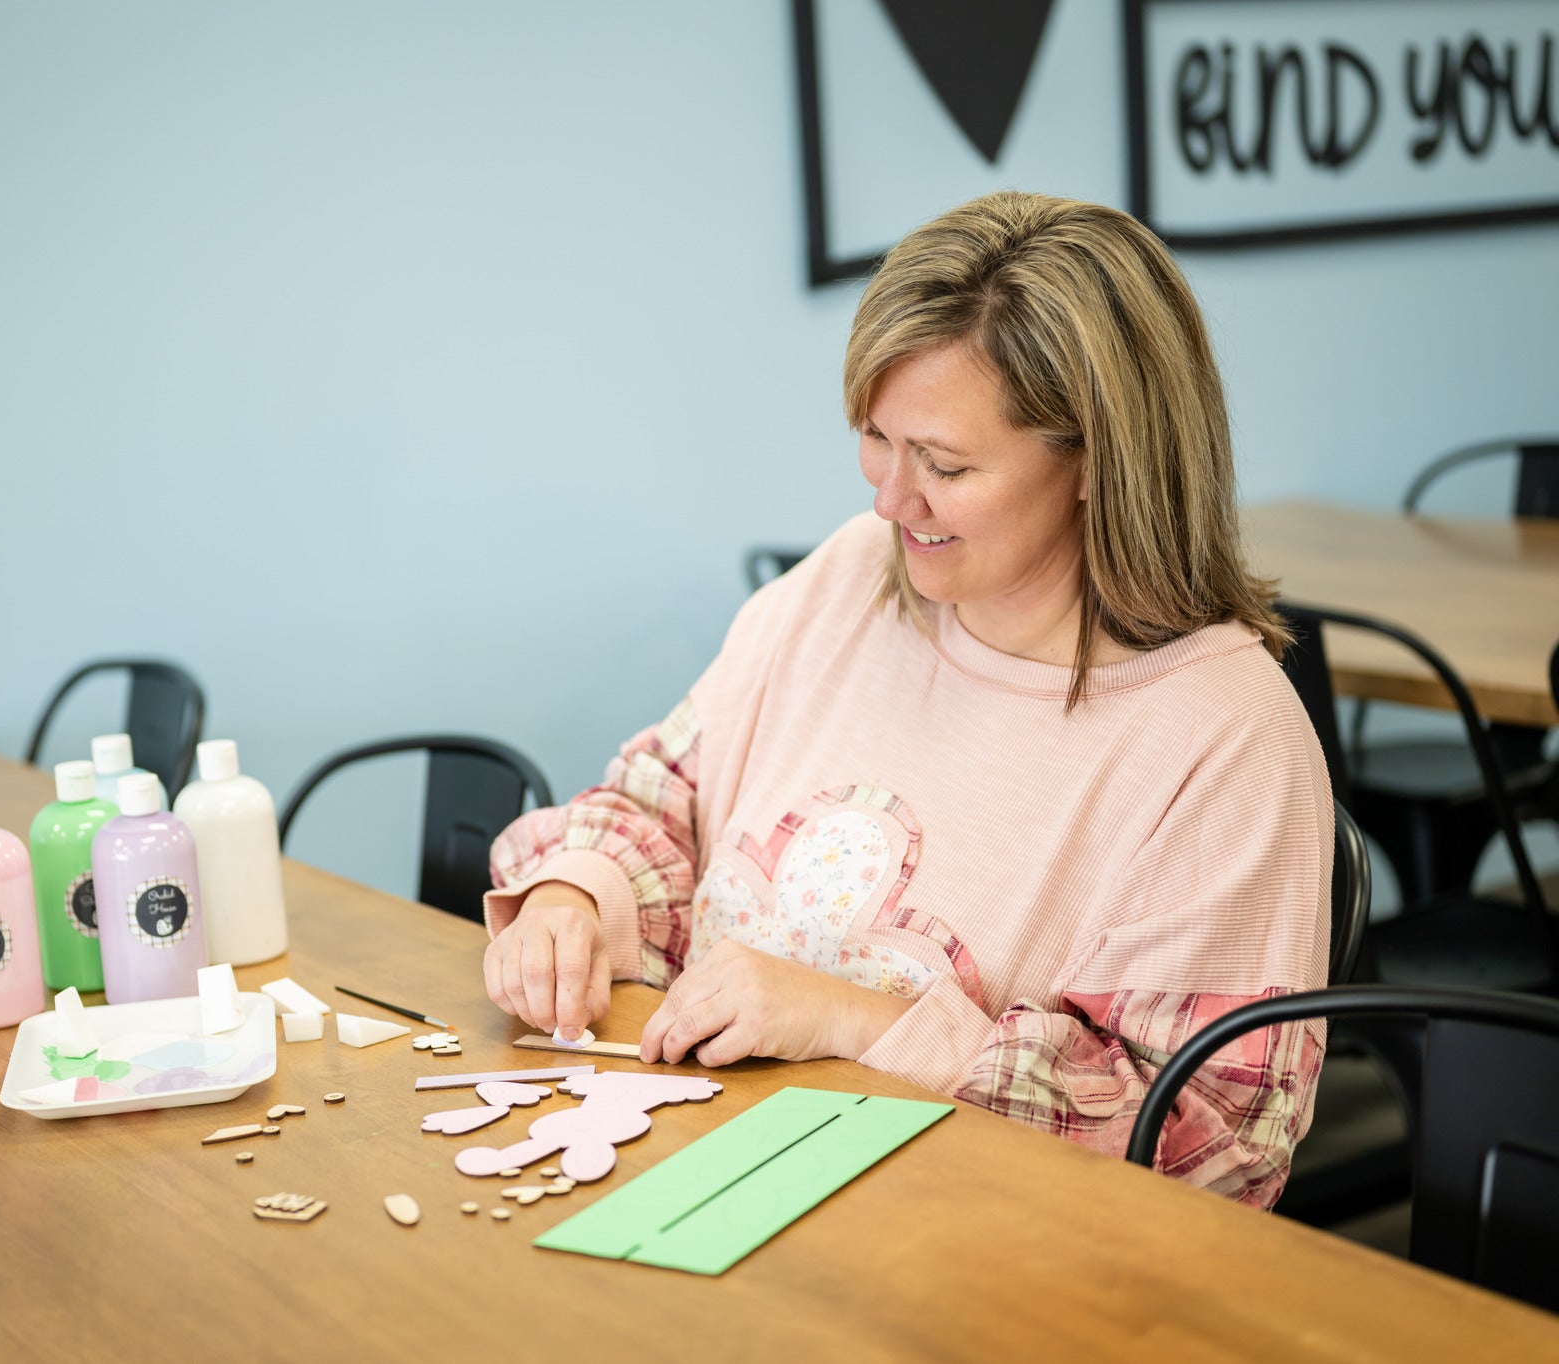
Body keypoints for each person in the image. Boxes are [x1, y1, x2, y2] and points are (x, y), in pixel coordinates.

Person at [479, 191, 1331, 1208]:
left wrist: (855, 1019)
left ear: (1097, 461)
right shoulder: (846, 580)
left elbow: (1207, 1150)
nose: (889, 498)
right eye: (876, 438)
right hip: (719, 1187)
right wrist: (577, 896)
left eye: (945, 463)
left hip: (975, 1252)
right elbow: (660, 799)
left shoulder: (1224, 735)